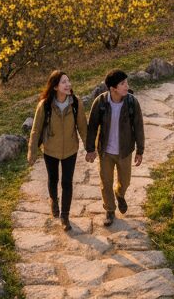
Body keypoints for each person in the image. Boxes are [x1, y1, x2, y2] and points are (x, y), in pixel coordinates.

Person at [27, 69, 88, 232]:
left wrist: (90, 148)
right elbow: (36, 129)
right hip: (50, 149)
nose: (68, 85)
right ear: (55, 87)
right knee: (53, 179)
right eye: (63, 82)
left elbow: (82, 126)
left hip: (70, 149)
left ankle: (65, 216)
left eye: (68, 81)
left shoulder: (76, 102)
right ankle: (54, 200)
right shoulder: (45, 105)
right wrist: (32, 151)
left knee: (67, 182)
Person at [85, 69, 144, 227]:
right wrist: (90, 149)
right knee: (106, 182)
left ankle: (120, 193)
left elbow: (139, 127)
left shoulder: (132, 102)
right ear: (113, 89)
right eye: (123, 83)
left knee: (125, 181)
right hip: (106, 152)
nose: (127, 86)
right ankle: (110, 210)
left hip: (125, 151)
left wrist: (140, 151)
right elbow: (92, 127)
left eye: (126, 82)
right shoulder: (101, 102)